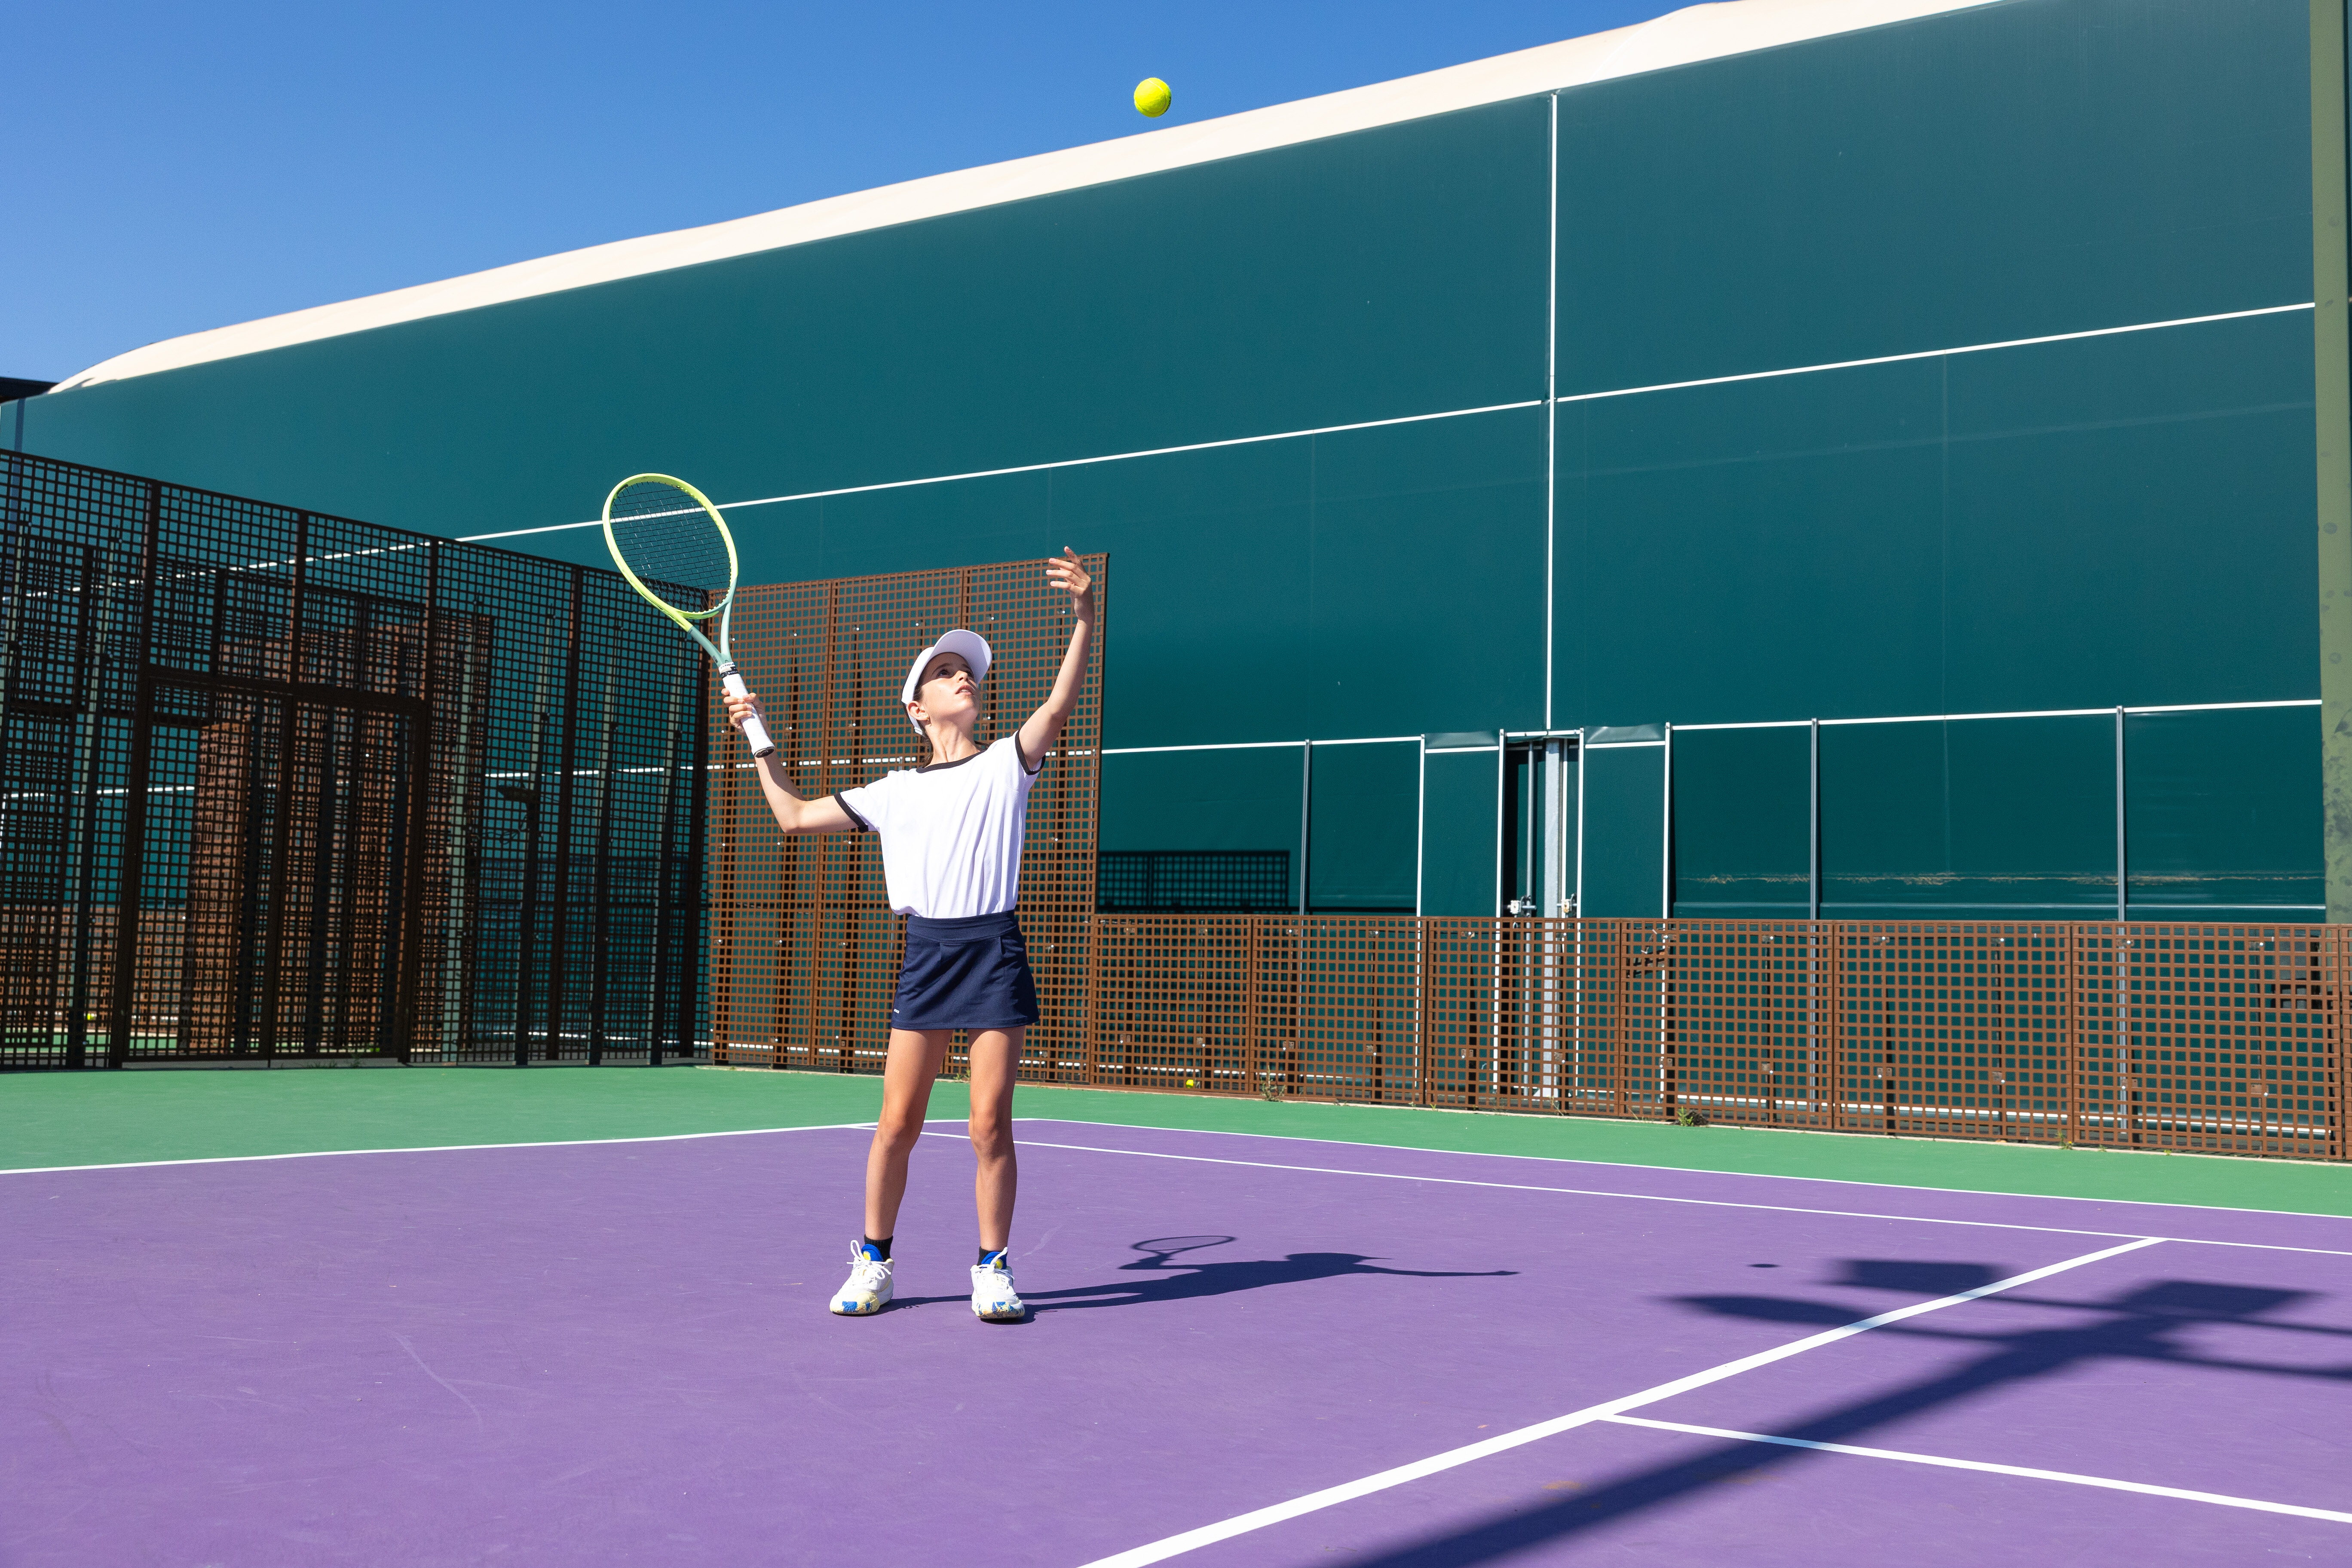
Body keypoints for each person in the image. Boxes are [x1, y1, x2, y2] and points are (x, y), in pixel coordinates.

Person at [721, 548, 1096, 1322]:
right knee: (898, 1125)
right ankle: (874, 1262)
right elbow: (790, 817)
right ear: (919, 707)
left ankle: (992, 1269)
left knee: (990, 1123)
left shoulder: (1006, 764)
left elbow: (1059, 705)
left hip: (992, 951)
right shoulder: (891, 792)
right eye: (947, 671)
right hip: (927, 953)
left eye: (970, 671)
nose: (966, 677)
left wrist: (1087, 615)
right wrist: (758, 738)